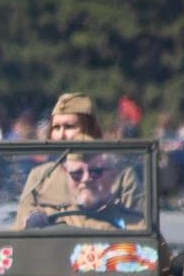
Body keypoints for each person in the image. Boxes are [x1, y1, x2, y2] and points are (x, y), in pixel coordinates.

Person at [12, 93, 140, 227]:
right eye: (56, 127)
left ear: (90, 130)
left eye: (69, 127)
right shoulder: (39, 177)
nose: (61, 135)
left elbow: (141, 230)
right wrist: (32, 219)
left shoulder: (121, 176)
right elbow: (20, 227)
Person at [21, 152, 145, 230]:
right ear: (66, 176)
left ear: (112, 176)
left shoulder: (134, 225)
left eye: (96, 172)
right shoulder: (47, 218)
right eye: (76, 174)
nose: (86, 179)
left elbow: (161, 268)